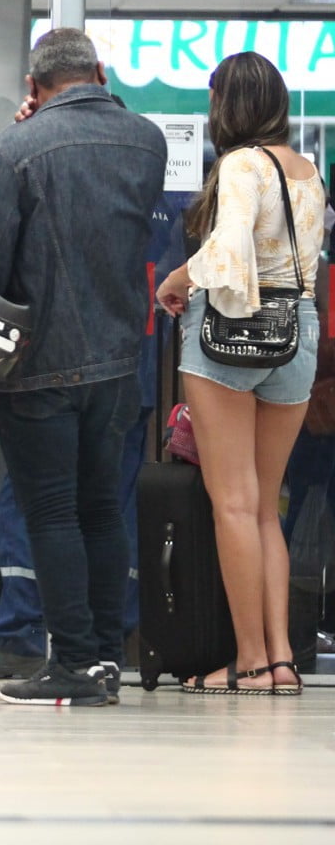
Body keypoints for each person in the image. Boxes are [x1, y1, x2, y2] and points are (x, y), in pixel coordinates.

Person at [0, 27, 166, 707]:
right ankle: (105, 656)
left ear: (33, 89)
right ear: (100, 73)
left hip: (38, 368)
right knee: (104, 511)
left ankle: (72, 663)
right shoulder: (147, 141)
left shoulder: (12, 152)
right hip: (116, 362)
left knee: (51, 514)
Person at [155, 51, 324, 696]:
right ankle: (281, 659)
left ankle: (249, 662)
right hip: (294, 335)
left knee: (233, 501)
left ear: (227, 105)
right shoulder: (308, 170)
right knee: (264, 511)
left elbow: (227, 251)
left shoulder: (240, 165)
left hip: (229, 333)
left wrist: (176, 279)